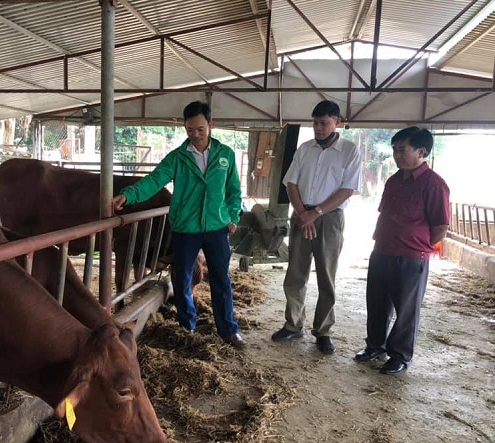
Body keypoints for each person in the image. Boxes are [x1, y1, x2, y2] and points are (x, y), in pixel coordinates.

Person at [111, 101, 246, 349]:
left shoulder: (225, 155)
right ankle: (188, 327)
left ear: (210, 126)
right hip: (186, 229)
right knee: (182, 280)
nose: (195, 135)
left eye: (200, 129)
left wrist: (233, 216)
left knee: (221, 279)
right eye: (190, 130)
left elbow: (234, 191)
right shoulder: (177, 158)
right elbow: (153, 181)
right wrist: (128, 195)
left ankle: (228, 329)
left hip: (217, 228)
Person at [355, 126, 450, 375]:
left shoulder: (434, 184)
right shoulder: (394, 180)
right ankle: (375, 345)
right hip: (382, 250)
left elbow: (440, 226)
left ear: (421, 152)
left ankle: (399, 355)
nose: (397, 155)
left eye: (402, 150)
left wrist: (420, 247)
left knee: (406, 310)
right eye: (395, 150)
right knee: (376, 303)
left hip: (411, 257)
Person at [271, 100, 362, 354]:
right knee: (295, 273)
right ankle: (293, 324)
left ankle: (323, 330)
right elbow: (291, 183)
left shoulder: (349, 151)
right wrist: (303, 214)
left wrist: (317, 213)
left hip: (330, 218)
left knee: (326, 275)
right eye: (315, 123)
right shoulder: (305, 149)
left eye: (324, 123)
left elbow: (347, 190)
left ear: (337, 122)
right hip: (301, 213)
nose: (318, 128)